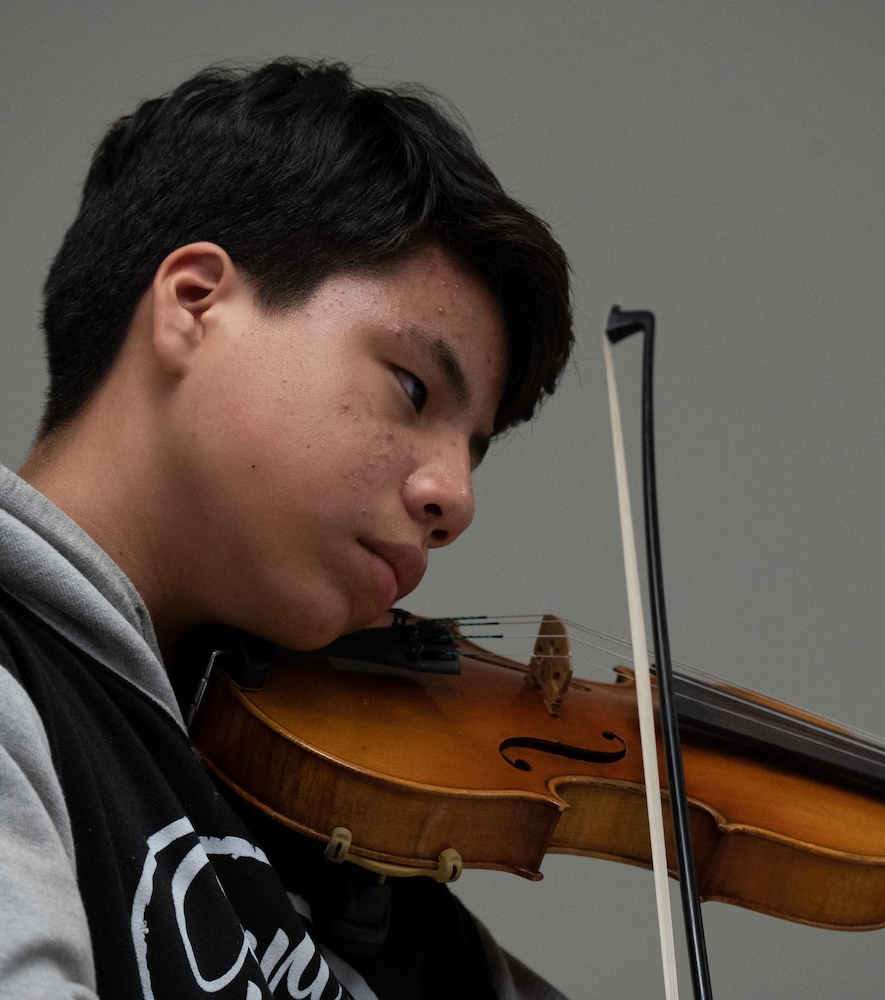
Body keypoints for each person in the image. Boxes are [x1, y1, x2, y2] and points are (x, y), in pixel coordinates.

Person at [0, 59, 573, 1000]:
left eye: (472, 449)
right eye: (413, 388)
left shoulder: (306, 804)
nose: (456, 498)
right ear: (195, 303)